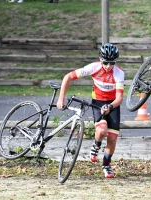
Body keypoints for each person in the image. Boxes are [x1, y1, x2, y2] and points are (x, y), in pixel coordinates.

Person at [57, 43, 125, 178]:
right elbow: (68, 77)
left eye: (112, 63)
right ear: (100, 59)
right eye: (105, 62)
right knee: (101, 131)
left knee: (112, 139)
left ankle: (106, 165)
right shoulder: (93, 67)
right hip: (98, 102)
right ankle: (96, 144)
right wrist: (61, 98)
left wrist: (110, 106)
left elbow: (119, 98)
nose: (108, 66)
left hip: (113, 104)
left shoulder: (119, 73)